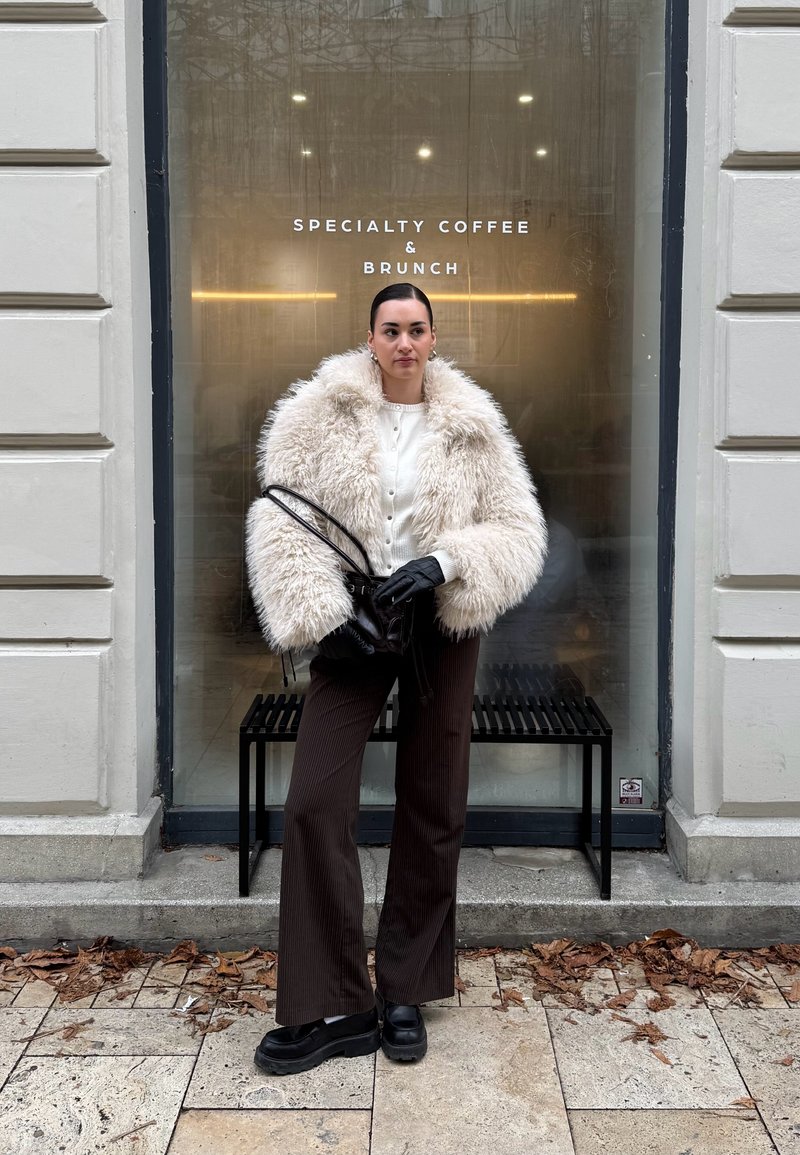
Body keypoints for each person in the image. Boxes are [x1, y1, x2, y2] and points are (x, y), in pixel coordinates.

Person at [245, 282, 547, 1075]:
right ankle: (335, 1002)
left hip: (440, 621)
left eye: (417, 329)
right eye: (391, 329)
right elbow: (281, 518)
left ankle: (406, 986)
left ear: (434, 338)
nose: (405, 343)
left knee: (433, 798)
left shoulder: (473, 424)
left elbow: (517, 529)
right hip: (351, 622)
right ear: (369, 337)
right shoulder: (318, 412)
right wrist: (321, 610)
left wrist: (442, 561)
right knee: (314, 799)